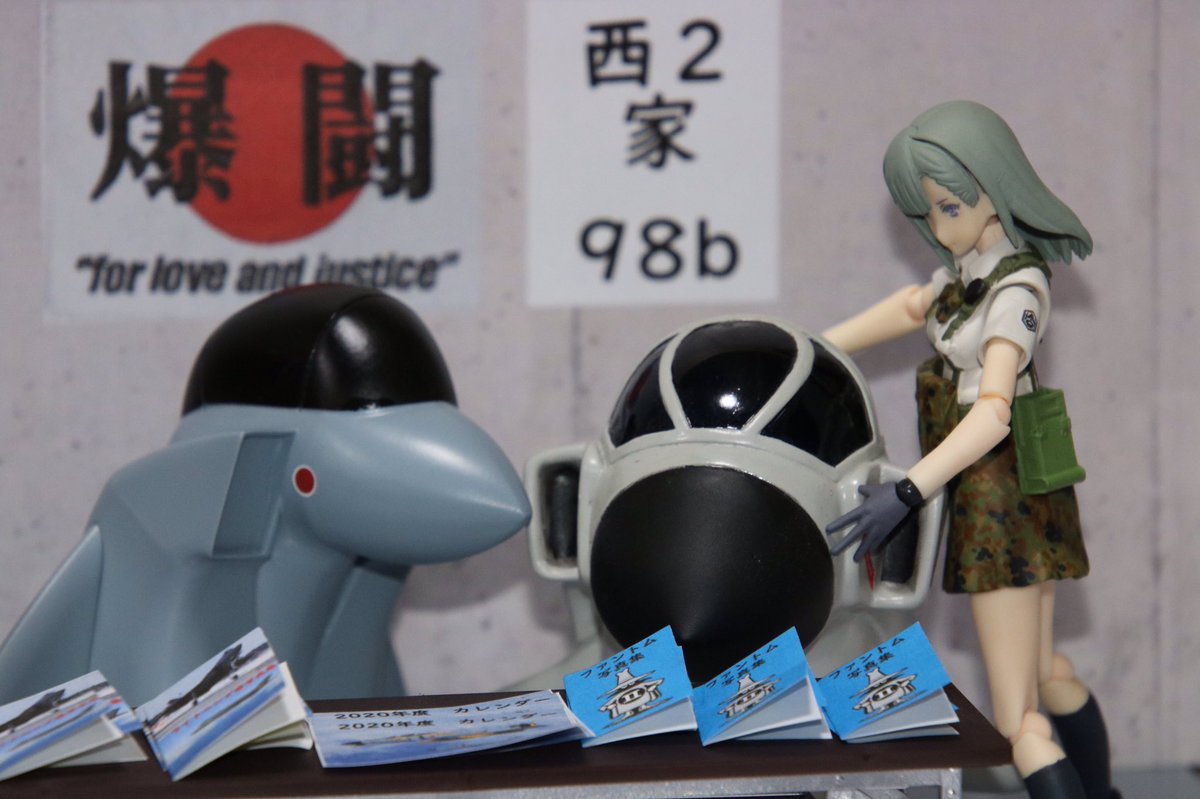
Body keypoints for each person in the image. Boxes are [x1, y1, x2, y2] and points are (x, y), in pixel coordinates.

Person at [823, 101, 1115, 799]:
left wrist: (906, 492)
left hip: (1001, 506)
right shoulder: (967, 274)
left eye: (949, 207)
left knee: (1018, 722)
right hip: (1002, 495)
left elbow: (993, 413)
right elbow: (910, 307)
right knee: (1047, 673)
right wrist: (814, 345)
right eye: (925, 212)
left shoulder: (1018, 289)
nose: (937, 226)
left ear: (994, 187)